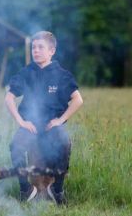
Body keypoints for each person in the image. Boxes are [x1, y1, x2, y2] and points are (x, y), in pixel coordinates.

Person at [5, 31, 82, 204]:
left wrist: (60, 120)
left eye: (41, 47)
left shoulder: (62, 75)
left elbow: (78, 99)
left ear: (52, 51)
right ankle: (26, 189)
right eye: (34, 47)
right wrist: (20, 121)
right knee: (16, 146)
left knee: (64, 141)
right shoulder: (26, 72)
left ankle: (57, 190)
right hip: (30, 126)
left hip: (51, 126)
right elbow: (8, 98)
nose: (36, 51)